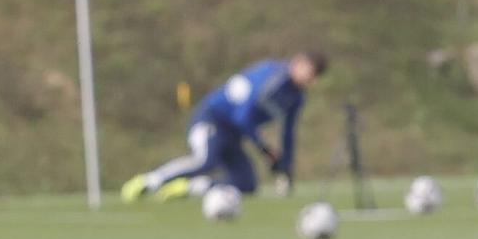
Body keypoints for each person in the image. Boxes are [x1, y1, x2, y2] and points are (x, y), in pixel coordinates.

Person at [120, 51, 326, 203]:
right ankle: (149, 181)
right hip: (212, 120)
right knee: (205, 161)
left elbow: (288, 133)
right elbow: (242, 116)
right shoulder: (272, 78)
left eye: (314, 76)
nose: (309, 78)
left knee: (246, 184)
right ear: (298, 62)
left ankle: (190, 187)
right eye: (309, 71)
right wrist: (264, 149)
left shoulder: (296, 97)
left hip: (234, 135)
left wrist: (285, 166)